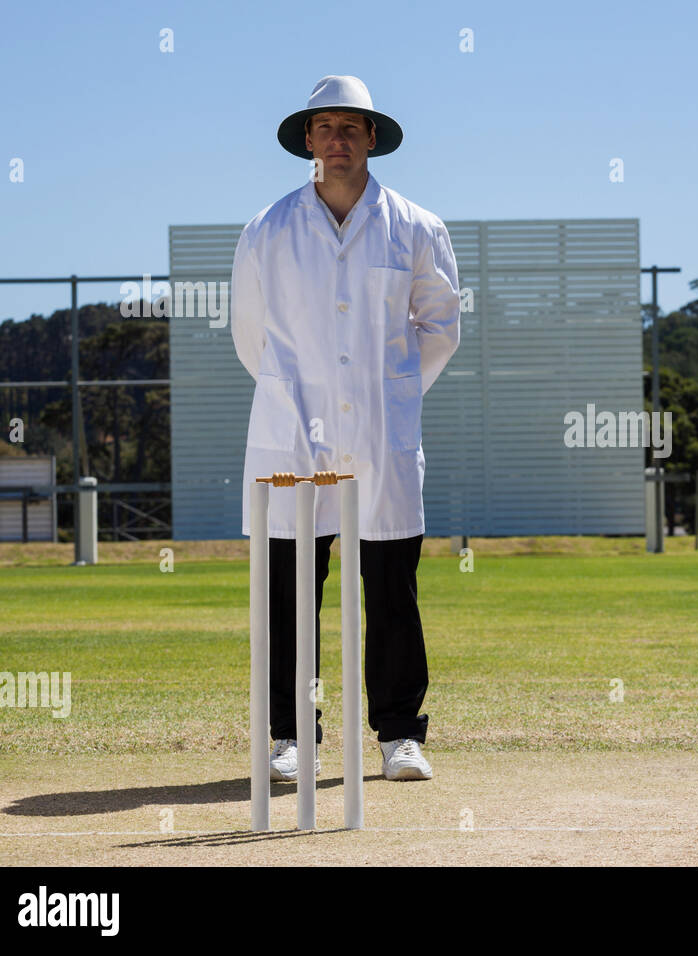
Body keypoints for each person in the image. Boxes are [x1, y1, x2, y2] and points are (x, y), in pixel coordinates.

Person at [230, 75, 460, 783]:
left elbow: (440, 328)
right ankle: (289, 737)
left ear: (371, 139)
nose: (337, 140)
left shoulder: (417, 227)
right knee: (290, 593)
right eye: (325, 128)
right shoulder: (267, 229)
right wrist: (293, 396)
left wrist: (388, 398)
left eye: (350, 129)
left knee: (391, 585)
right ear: (308, 139)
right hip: (290, 431)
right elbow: (249, 333)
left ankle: (399, 735)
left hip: (381, 437)